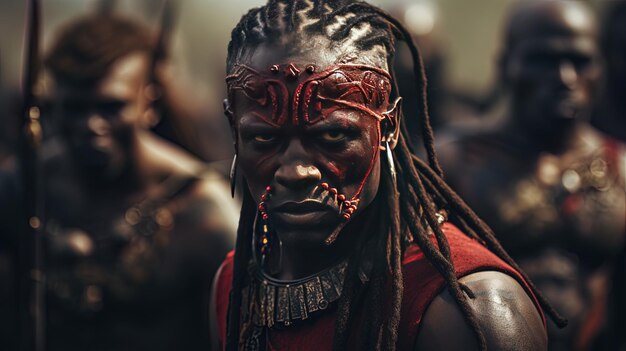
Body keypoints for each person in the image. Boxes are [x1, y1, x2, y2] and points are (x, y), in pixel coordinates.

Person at [210, 1, 566, 350]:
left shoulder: (472, 312)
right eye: (264, 138)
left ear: (390, 127)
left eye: (333, 136)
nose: (296, 171)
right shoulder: (236, 282)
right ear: (234, 129)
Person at [0, 14, 238, 351]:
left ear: (148, 103)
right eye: (75, 108)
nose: (90, 125)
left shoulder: (205, 211)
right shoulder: (20, 187)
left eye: (110, 107)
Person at [437, 2, 626, 350]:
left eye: (581, 61)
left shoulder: (619, 165)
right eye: (544, 60)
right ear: (507, 63)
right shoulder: (452, 161)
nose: (566, 78)